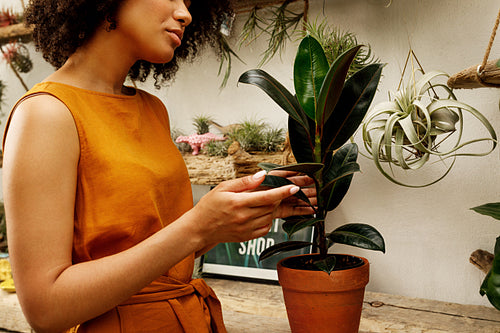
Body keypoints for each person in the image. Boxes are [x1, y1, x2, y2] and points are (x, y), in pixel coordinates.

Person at [2, 0, 316, 332]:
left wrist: (236, 212)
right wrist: (197, 227)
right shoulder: (45, 114)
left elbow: (156, 248)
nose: (185, 14)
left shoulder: (152, 109)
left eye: (190, 2)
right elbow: (45, 310)